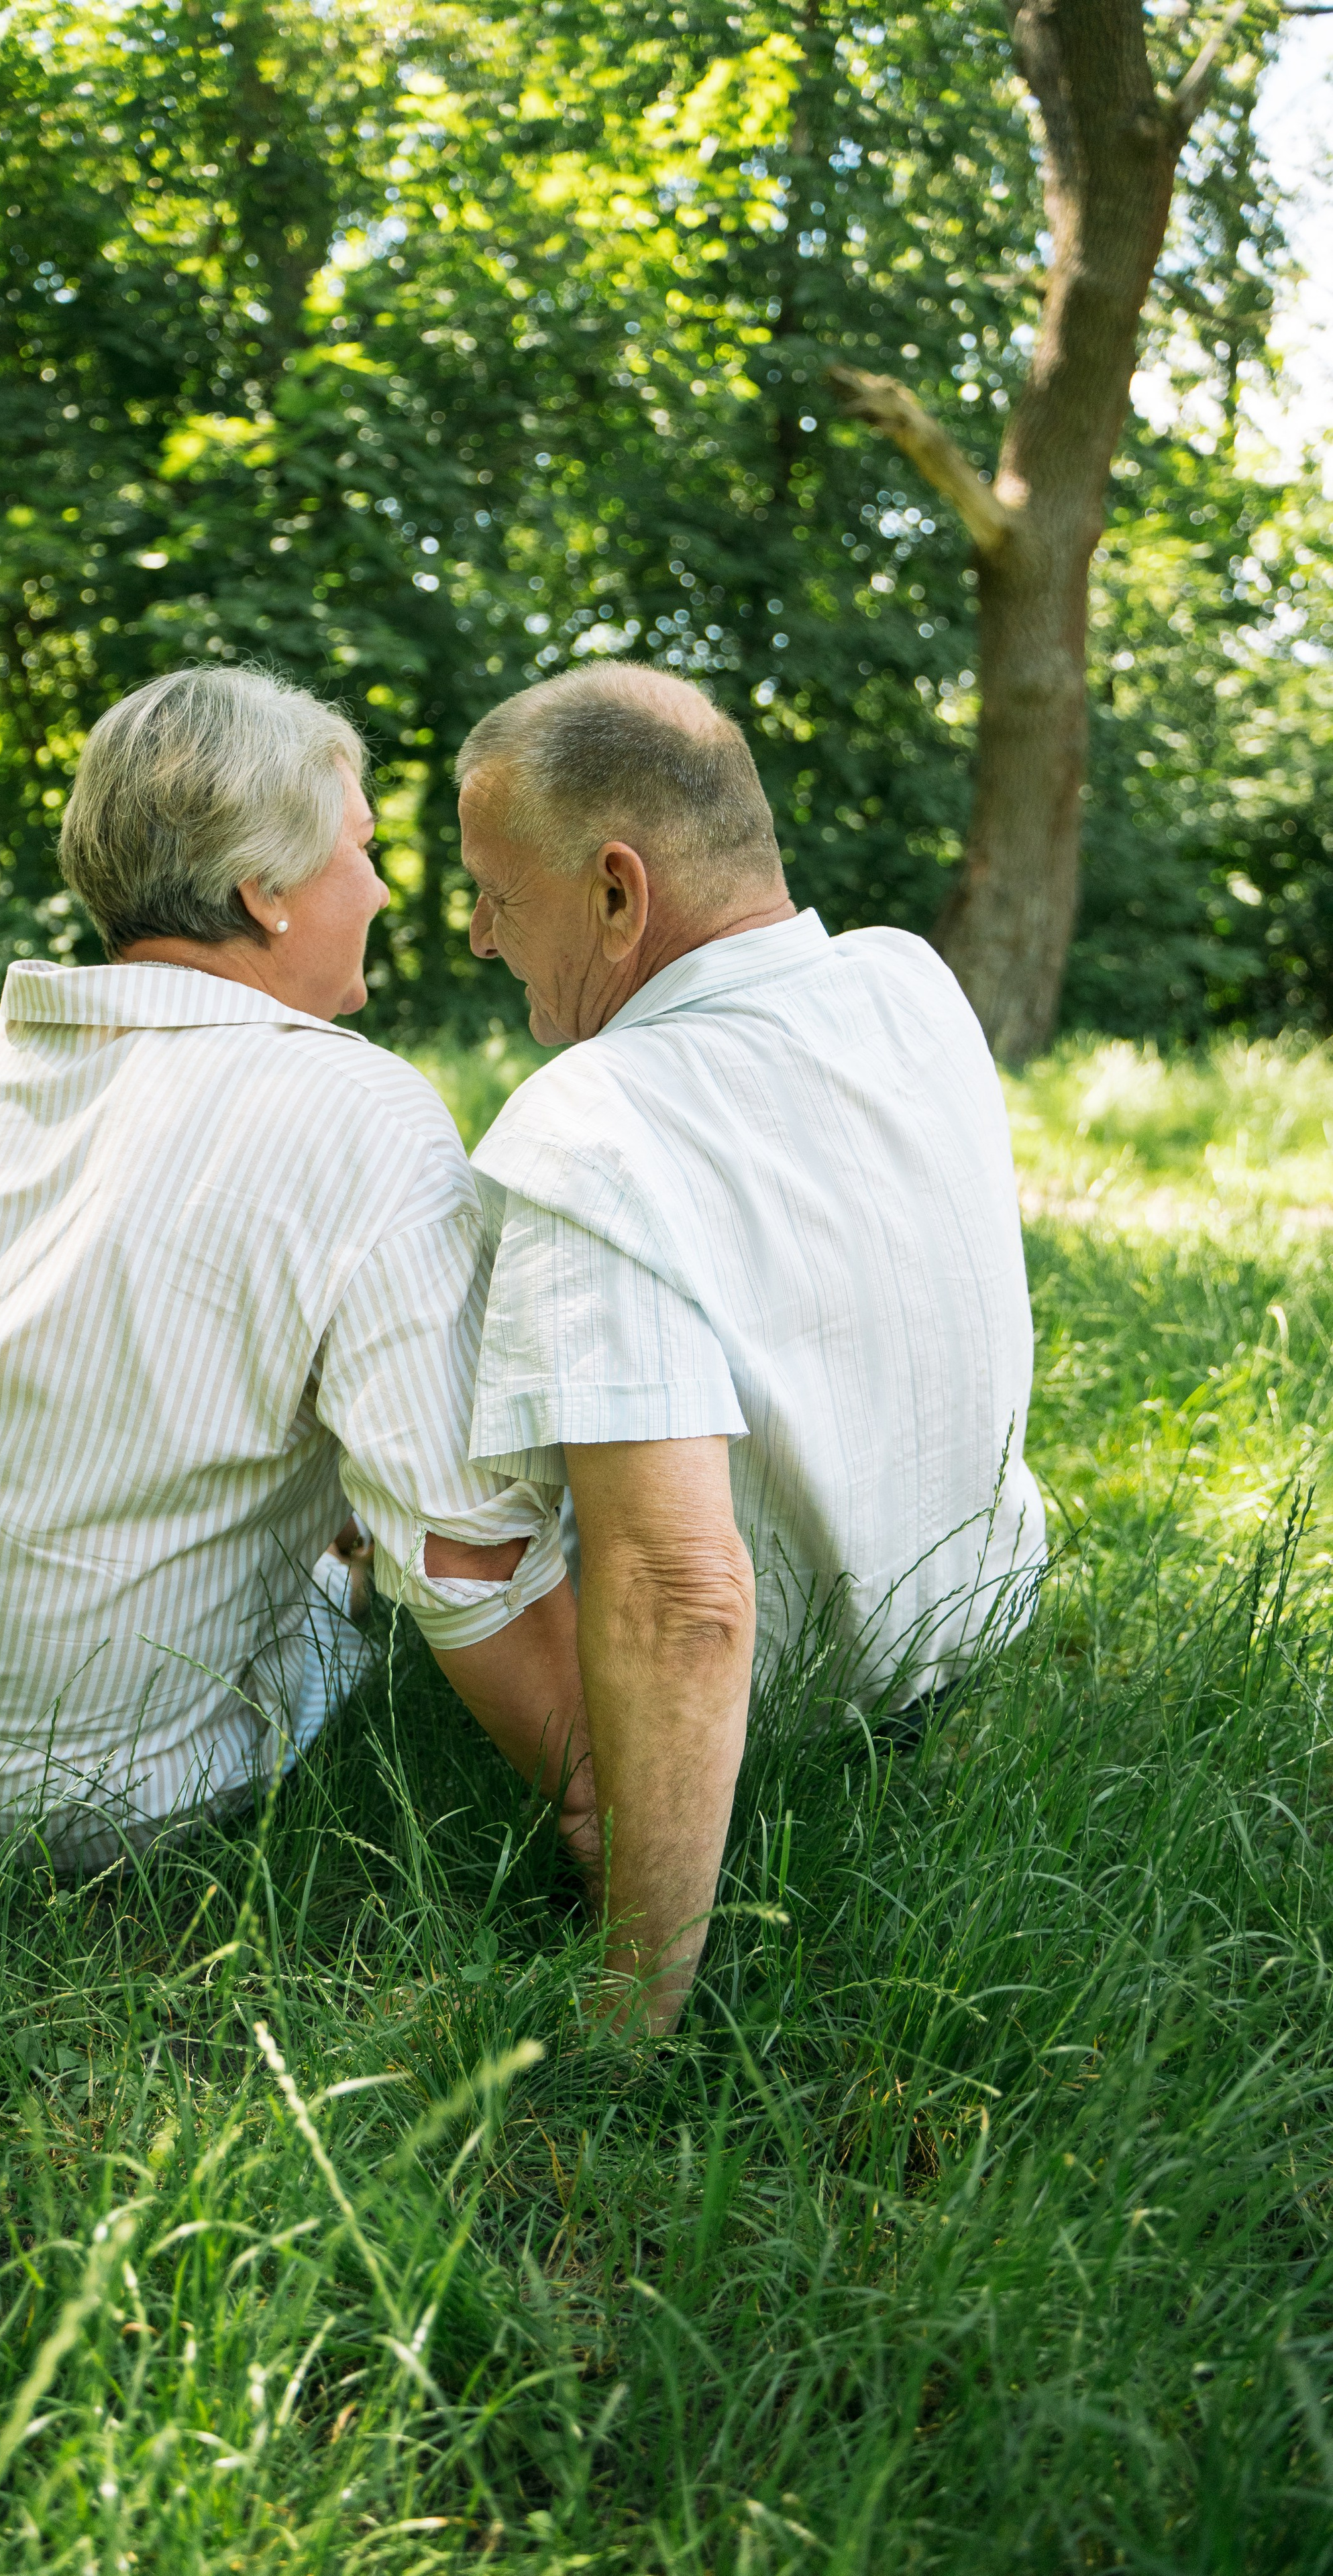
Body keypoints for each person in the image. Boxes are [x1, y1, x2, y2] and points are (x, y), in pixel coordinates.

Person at [0, 665, 590, 1874]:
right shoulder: (358, 1104)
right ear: (265, 892)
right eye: (362, 850)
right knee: (538, 1472)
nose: (380, 889)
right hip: (96, 1790)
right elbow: (468, 1553)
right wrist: (607, 1820)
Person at [456, 663, 1045, 2033]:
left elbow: (679, 1595)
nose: (480, 937)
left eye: (494, 893)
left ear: (617, 895)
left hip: (782, 1719)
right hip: (965, 1644)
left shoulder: (591, 1124)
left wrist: (633, 2003)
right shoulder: (908, 981)